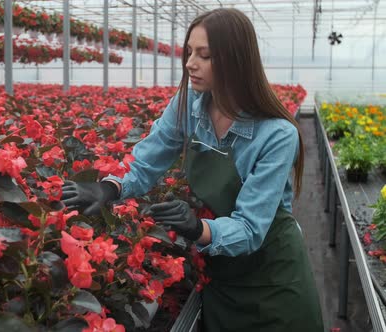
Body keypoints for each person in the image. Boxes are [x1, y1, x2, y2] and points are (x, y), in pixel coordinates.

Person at [61, 7, 324, 332]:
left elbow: (251, 228)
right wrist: (109, 187)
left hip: (273, 272)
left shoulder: (276, 134)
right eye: (189, 53)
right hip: (223, 272)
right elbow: (148, 160)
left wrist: (197, 228)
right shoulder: (189, 105)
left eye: (205, 55)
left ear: (235, 61)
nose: (189, 63)